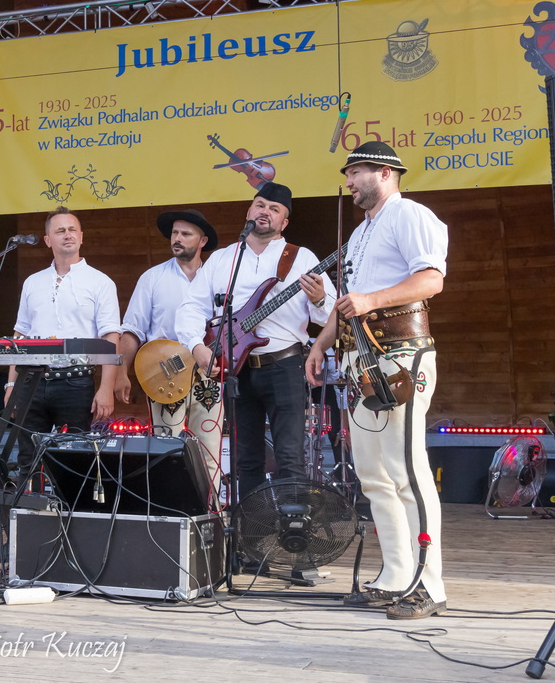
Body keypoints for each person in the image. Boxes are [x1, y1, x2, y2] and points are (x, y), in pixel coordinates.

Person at [305, 141, 449, 620]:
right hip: (361, 360)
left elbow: (431, 280)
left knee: (407, 469)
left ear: (385, 173)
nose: (348, 182)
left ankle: (429, 583)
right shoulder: (362, 232)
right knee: (374, 474)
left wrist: (371, 300)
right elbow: (349, 300)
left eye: (356, 172)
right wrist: (320, 343)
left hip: (400, 353)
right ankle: (396, 576)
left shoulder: (409, 214)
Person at [176, 182, 333, 500]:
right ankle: (250, 526)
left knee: (290, 456)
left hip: (285, 365)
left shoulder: (301, 258)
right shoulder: (223, 259)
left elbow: (330, 315)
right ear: (249, 210)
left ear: (284, 223)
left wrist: (318, 299)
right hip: (236, 370)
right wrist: (197, 347)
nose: (265, 212)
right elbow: (191, 307)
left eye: (275, 209)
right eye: (260, 205)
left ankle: (292, 525)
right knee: (246, 458)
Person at [5, 207, 120, 483]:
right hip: (31, 382)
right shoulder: (33, 282)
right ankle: (32, 509)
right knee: (28, 460)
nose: (67, 235)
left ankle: (70, 512)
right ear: (48, 240)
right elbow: (20, 335)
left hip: (75, 382)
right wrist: (11, 385)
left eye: (72, 230)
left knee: (75, 461)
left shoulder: (100, 282)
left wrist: (106, 388)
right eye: (60, 231)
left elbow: (110, 338)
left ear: (81, 237)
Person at [115, 209, 223, 491]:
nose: (177, 238)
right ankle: (167, 508)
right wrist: (121, 372)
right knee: (165, 450)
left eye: (185, 234)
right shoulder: (152, 278)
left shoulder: (218, 279)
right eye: (175, 233)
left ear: (202, 241)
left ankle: (211, 511)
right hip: (165, 373)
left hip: (208, 374)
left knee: (209, 451)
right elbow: (132, 330)